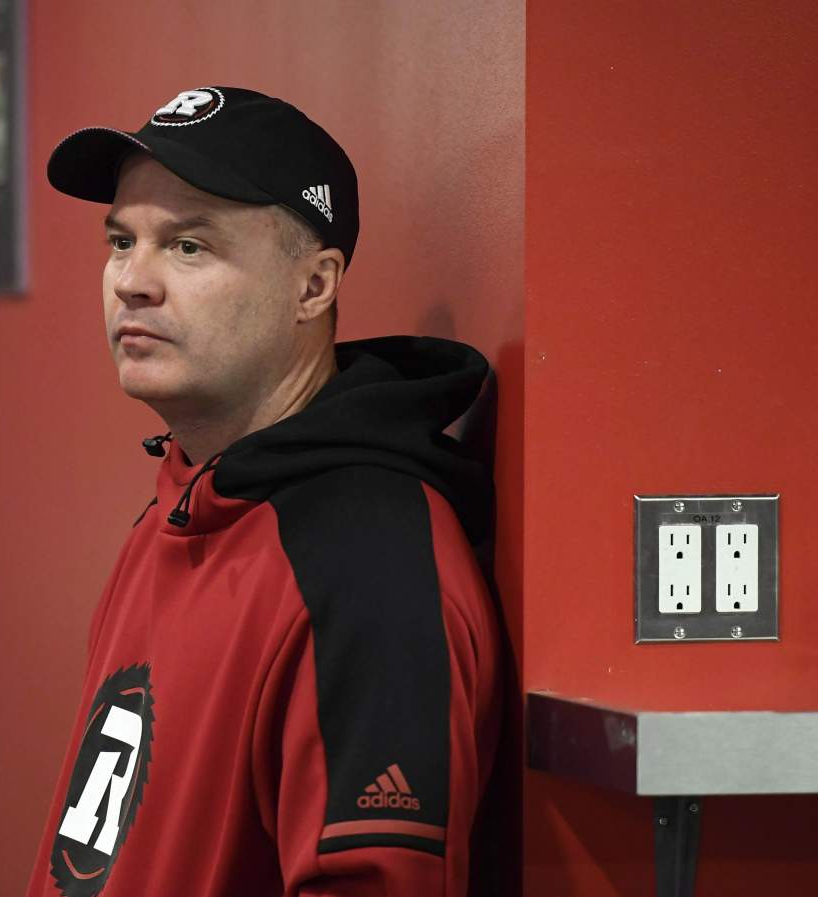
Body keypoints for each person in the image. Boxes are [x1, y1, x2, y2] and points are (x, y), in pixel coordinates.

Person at [27, 86, 501, 897]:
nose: (131, 281)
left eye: (189, 247)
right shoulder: (177, 507)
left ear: (313, 287)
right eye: (120, 240)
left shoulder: (365, 561)